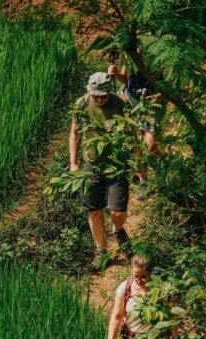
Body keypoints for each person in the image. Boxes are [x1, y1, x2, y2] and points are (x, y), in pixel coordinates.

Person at [70, 72, 132, 268]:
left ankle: (118, 230)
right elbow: (74, 134)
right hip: (91, 165)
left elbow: (132, 134)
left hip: (116, 164)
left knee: (117, 212)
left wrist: (139, 162)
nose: (99, 99)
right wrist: (73, 163)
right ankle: (101, 251)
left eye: (103, 96)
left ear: (109, 92)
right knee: (94, 211)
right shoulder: (81, 104)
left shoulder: (120, 104)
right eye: (96, 96)